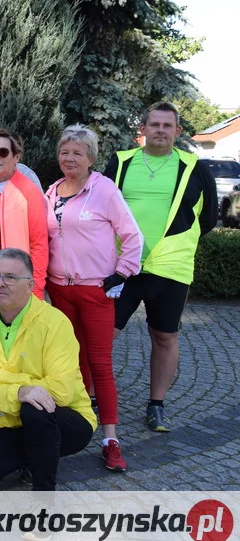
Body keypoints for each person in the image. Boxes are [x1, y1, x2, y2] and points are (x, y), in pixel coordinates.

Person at [103, 101, 216, 433]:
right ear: (144, 129)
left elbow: (207, 219)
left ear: (177, 132)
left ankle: (156, 404)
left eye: (168, 126)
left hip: (169, 268)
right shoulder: (121, 162)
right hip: (122, 265)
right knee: (103, 334)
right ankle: (92, 395)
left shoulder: (195, 167)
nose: (161, 130)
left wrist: (170, 244)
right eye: (155, 124)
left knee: (164, 337)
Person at [0, 249, 96, 499]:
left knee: (35, 407)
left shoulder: (54, 323)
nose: (0, 283)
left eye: (10, 277)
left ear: (30, 285)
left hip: (68, 420)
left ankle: (43, 502)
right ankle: (31, 456)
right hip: (14, 422)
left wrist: (0, 378)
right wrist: (19, 391)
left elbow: (59, 391)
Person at [46, 124, 143, 471]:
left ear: (90, 158)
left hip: (94, 290)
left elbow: (132, 235)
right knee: (72, 360)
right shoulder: (53, 191)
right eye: (65, 152)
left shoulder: (104, 190)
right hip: (59, 289)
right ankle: (77, 424)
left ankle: (111, 440)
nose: (69, 158)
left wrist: (121, 273)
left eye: (77, 153)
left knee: (100, 363)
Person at [0, 131, 48, 297]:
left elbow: (39, 243)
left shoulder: (28, 191)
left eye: (3, 152)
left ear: (16, 157)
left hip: (10, 279)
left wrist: (36, 287)